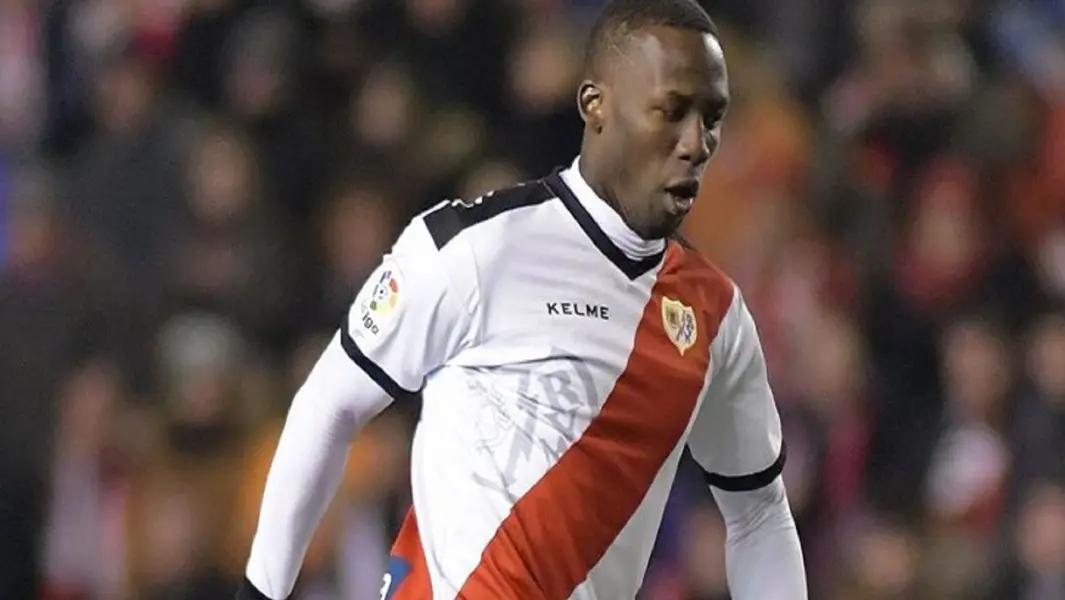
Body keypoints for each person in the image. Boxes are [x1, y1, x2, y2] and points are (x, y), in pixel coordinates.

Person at [235, 0, 808, 598]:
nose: (696, 142)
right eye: (671, 111)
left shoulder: (715, 318)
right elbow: (331, 403)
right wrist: (261, 593)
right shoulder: (478, 248)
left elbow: (760, 512)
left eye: (712, 117)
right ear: (597, 105)